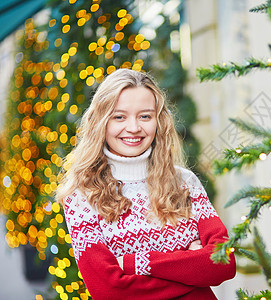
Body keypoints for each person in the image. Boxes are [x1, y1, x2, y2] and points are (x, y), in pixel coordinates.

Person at [55, 68, 236, 299]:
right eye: (119, 116)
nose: (133, 128)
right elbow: (109, 290)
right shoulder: (82, 196)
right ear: (101, 121)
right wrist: (192, 273)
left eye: (145, 116)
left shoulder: (185, 183)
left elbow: (224, 261)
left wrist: (135, 264)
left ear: (158, 121)